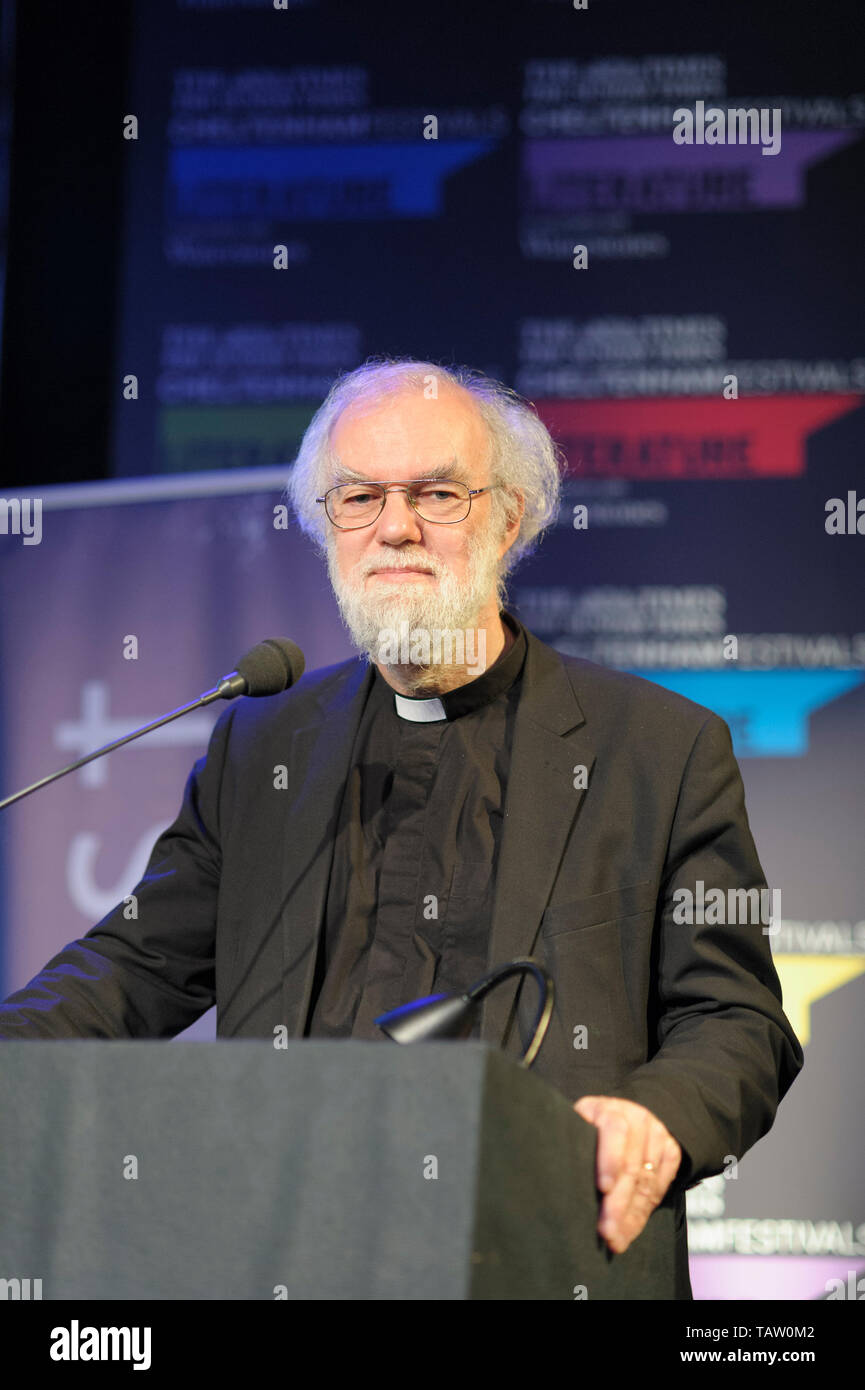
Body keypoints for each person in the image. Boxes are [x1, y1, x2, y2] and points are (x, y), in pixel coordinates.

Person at [0, 358, 803, 1295]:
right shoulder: (263, 746)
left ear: (508, 519)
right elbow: (134, 968)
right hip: (284, 1256)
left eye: (436, 493)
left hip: (546, 1258)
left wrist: (653, 1120)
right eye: (360, 497)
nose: (395, 527)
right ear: (326, 529)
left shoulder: (656, 750)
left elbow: (737, 1019)